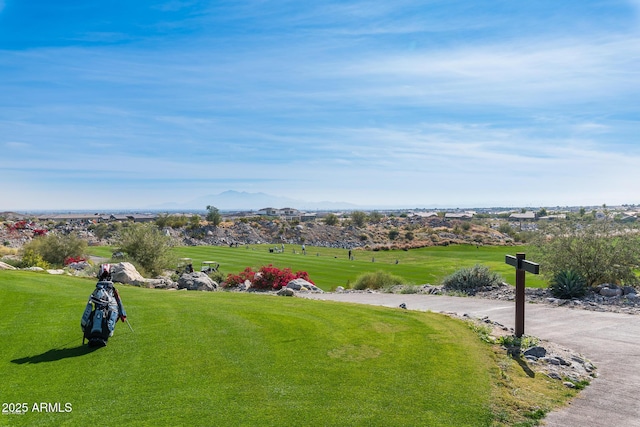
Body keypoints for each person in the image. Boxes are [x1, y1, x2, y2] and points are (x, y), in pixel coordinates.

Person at [81, 264, 127, 346]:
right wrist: (122, 314)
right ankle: (103, 335)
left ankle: (95, 334)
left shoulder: (98, 289)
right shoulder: (110, 288)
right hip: (106, 327)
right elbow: (118, 301)